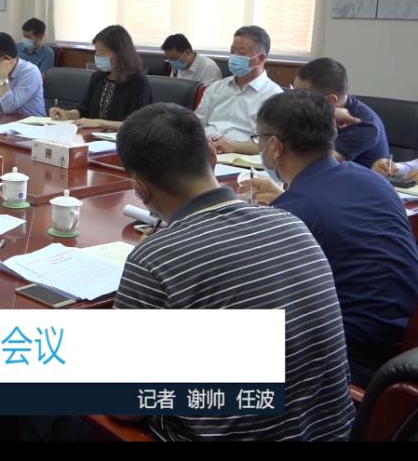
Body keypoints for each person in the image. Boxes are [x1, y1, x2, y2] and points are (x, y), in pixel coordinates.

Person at [110, 102, 354, 440]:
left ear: (139, 188)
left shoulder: (154, 259)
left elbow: (124, 407)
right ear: (213, 156)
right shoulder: (291, 224)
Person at [237, 90, 418, 386]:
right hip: (401, 342)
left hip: (346, 358)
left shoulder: (294, 213)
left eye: (259, 140)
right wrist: (286, 198)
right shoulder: (373, 180)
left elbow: (255, 300)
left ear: (274, 146)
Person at [194, 25, 283, 154]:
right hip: (205, 151)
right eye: (232, 52)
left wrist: (233, 146)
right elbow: (196, 124)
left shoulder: (274, 96)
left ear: (261, 58)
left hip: (240, 158)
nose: (233, 58)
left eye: (241, 53)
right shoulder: (216, 88)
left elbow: (270, 142)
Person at [48, 24, 151, 129]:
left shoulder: (138, 82)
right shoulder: (98, 77)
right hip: (91, 134)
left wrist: (100, 123)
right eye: (96, 51)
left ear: (120, 53)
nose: (97, 56)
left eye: (101, 52)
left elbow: (137, 123)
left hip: (120, 137)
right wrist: (67, 114)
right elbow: (84, 110)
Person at [293, 58, 390, 169]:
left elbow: (310, 162)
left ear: (330, 101)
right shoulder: (323, 109)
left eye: (301, 96)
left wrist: (320, 115)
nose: (295, 101)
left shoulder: (365, 127)